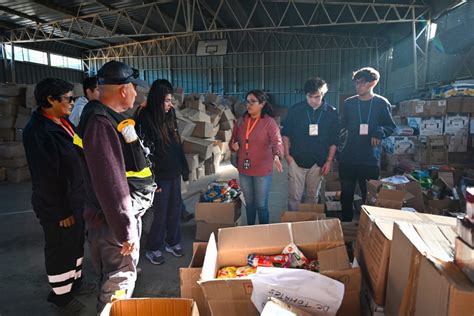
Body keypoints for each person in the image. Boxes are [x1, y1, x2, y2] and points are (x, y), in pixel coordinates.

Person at [73, 61, 156, 312]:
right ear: (123, 89)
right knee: (118, 283)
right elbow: (110, 184)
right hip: (112, 224)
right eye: (134, 89)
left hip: (110, 219)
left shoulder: (106, 118)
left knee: (116, 278)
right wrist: (125, 230)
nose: (136, 94)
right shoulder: (100, 123)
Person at [22, 78, 95, 313]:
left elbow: (77, 150)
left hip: (75, 199)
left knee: (74, 245)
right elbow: (46, 178)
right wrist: (60, 211)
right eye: (68, 98)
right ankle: (61, 298)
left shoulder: (62, 123)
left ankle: (75, 284)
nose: (72, 102)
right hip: (58, 206)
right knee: (60, 250)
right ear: (50, 100)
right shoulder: (39, 132)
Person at [135, 79, 189, 265]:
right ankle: (153, 247)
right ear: (157, 100)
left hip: (173, 169)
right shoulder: (144, 118)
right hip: (159, 176)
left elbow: (176, 142)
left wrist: (184, 168)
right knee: (160, 212)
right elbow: (142, 152)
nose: (170, 104)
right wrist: (152, 180)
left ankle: (172, 241)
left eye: (170, 100)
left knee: (175, 208)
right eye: (166, 101)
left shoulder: (170, 113)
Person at [337, 67, 396, 222]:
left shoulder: (381, 103)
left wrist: (379, 131)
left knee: (369, 195)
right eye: (356, 83)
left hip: (369, 158)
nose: (358, 86)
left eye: (362, 83)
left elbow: (391, 126)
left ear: (373, 83)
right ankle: (346, 224)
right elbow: (341, 127)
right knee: (346, 192)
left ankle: (367, 226)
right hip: (348, 157)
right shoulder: (349, 104)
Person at [282, 78, 339, 211]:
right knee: (294, 196)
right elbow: (286, 134)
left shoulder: (331, 112)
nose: (313, 100)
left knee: (312, 196)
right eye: (310, 96)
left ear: (323, 94)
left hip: (318, 162)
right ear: (305, 95)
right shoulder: (296, 110)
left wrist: (329, 160)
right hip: (296, 160)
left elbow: (334, 139)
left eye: (317, 97)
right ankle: (293, 225)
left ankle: (308, 224)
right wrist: (287, 155)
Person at [230, 90, 283, 225]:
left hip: (262, 169)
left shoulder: (269, 123)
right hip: (244, 168)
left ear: (262, 104)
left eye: (253, 101)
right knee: (249, 203)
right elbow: (233, 140)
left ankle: (263, 233)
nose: (249, 104)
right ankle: (251, 230)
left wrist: (277, 155)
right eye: (247, 101)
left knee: (261, 205)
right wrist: (233, 146)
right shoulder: (241, 121)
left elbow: (277, 141)